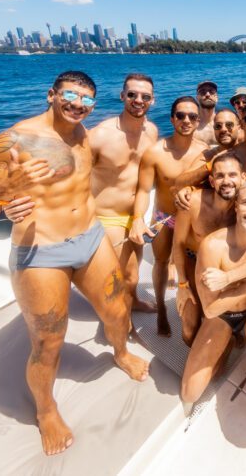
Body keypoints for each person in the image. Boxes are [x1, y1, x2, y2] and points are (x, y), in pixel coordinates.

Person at [0, 70, 148, 456]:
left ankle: (120, 353)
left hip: (89, 237)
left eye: (87, 100)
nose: (78, 105)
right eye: (70, 96)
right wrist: (3, 194)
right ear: (51, 94)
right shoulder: (13, 141)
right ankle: (46, 409)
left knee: (118, 311)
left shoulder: (83, 133)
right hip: (41, 251)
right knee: (48, 341)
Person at [180, 181, 246, 405]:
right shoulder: (213, 246)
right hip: (221, 315)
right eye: (245, 202)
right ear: (235, 206)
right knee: (189, 394)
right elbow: (210, 308)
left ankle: (244, 342)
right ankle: (226, 344)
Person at [171, 152, 246, 346]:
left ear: (243, 178)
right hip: (195, 262)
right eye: (220, 176)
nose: (227, 181)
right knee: (189, 332)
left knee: (217, 316)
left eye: (232, 175)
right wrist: (182, 284)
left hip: (227, 268)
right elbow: (178, 244)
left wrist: (229, 278)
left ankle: (228, 332)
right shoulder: (193, 203)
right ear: (212, 181)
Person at [129, 96, 208, 337]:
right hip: (165, 218)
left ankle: (201, 310)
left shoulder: (205, 151)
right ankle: (162, 308)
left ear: (198, 120)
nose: (186, 120)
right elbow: (143, 190)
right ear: (172, 118)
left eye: (192, 116)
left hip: (193, 220)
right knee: (161, 263)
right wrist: (138, 219)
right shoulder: (155, 152)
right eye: (181, 115)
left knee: (197, 265)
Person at [89, 73, 159, 313]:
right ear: (122, 96)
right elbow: (76, 176)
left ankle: (133, 302)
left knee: (134, 271)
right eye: (132, 95)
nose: (138, 100)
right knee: (121, 274)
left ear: (153, 101)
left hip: (137, 213)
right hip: (108, 216)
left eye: (145, 96)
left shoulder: (152, 132)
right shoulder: (100, 135)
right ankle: (118, 319)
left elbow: (148, 176)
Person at [172, 108, 241, 208]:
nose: (224, 129)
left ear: (239, 127)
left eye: (229, 125)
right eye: (218, 126)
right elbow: (179, 183)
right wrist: (209, 166)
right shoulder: (209, 155)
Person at [194, 80, 219, 146]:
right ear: (197, 98)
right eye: (203, 92)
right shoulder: (191, 126)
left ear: (216, 98)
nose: (207, 94)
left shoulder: (226, 123)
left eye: (211, 91)